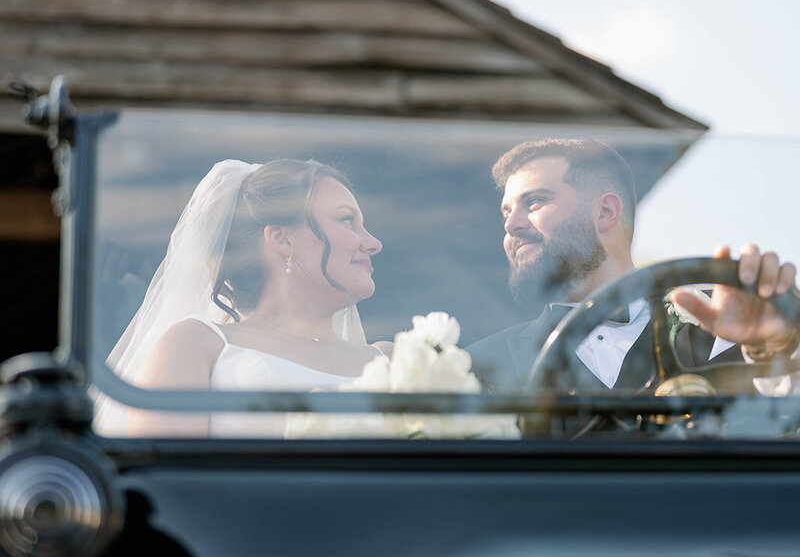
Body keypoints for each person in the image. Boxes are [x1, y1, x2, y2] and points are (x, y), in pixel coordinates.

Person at [468, 138, 799, 392]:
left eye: (534, 202)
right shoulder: (476, 368)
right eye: (507, 213)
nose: (512, 225)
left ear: (606, 212)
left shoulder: (726, 320)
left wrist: (772, 349)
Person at [99, 158, 389, 436]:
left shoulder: (392, 360)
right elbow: (166, 479)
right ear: (282, 238)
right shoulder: (196, 346)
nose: (374, 243)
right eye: (348, 221)